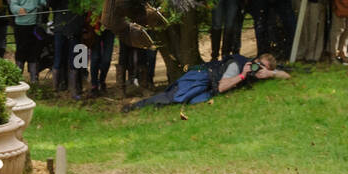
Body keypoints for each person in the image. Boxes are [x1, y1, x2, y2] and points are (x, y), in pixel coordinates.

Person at [123, 52, 289, 110]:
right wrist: (242, 76)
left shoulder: (261, 72)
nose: (258, 68)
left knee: (191, 100)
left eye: (263, 67)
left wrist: (270, 74)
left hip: (209, 84)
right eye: (259, 65)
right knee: (174, 97)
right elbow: (222, 87)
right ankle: (136, 106)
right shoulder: (237, 65)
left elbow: (287, 76)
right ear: (255, 59)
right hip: (202, 76)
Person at [9, 0, 47, 84]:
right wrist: (18, 9)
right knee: (21, 50)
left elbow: (45, 2)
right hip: (21, 25)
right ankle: (17, 78)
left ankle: (34, 79)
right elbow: (13, 4)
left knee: (35, 51)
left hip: (35, 24)